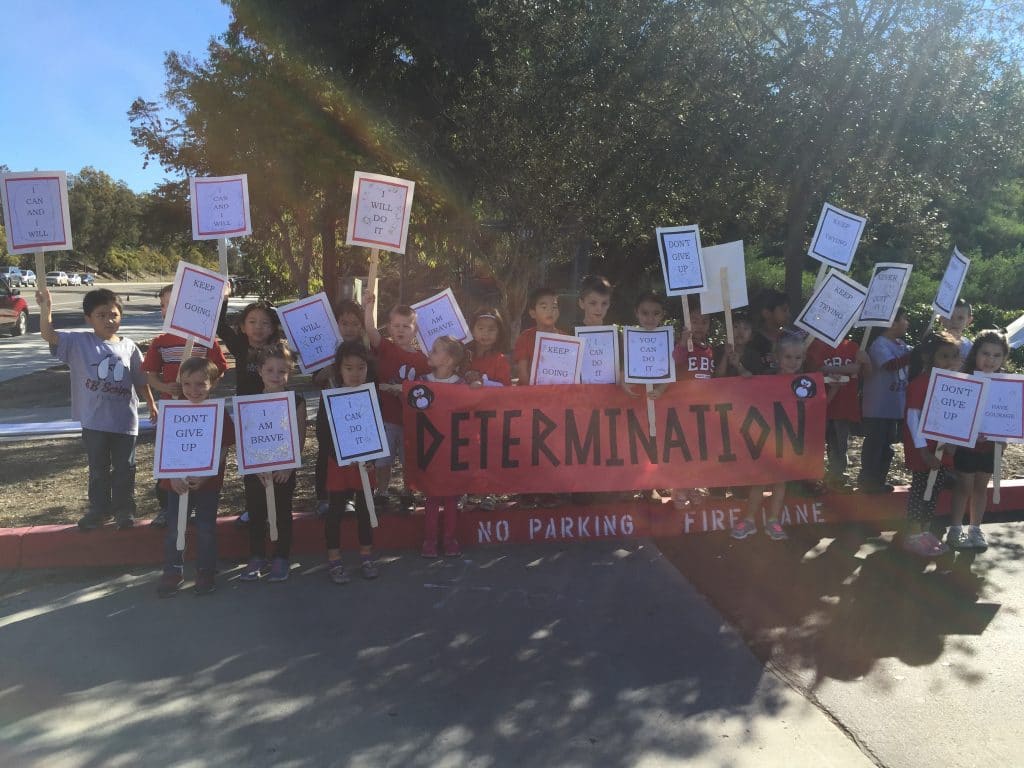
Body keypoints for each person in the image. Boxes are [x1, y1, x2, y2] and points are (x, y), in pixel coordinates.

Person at [37, 287, 157, 531]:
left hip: (125, 421)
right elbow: (48, 335)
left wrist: (152, 404)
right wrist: (45, 308)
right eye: (101, 315)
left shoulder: (130, 347)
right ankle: (100, 510)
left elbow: (140, 379)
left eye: (113, 314)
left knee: (126, 468)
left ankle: (124, 510)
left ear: (120, 316)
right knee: (98, 470)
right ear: (88, 319)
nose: (108, 320)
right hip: (94, 422)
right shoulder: (79, 342)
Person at [144, 283, 229, 527]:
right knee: (168, 461)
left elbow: (219, 370)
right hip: (171, 415)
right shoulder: (160, 342)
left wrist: (202, 387)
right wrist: (164, 388)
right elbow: (150, 374)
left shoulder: (206, 341)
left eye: (172, 305)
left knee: (199, 456)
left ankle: (198, 504)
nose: (166, 310)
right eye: (162, 305)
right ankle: (166, 507)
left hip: (200, 413)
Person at [156, 357, 234, 597]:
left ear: (212, 384)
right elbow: (166, 447)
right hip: (176, 483)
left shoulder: (218, 413)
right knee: (175, 529)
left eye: (201, 384)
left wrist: (205, 474)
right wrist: (174, 477)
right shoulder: (172, 411)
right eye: (188, 384)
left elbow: (223, 448)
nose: (194, 390)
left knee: (206, 528)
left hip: (207, 483)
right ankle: (173, 570)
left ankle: (205, 570)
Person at [239, 342, 307, 583]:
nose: (276, 376)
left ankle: (281, 557)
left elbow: (299, 436)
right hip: (257, 471)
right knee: (257, 513)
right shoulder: (249, 402)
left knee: (282, 512)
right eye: (270, 370)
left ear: (289, 372)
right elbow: (247, 438)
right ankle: (257, 556)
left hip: (283, 470)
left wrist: (289, 466)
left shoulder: (296, 401)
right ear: (259, 371)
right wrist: (256, 467)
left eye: (282, 371)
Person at [731, 333, 807, 541]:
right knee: (760, 481)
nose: (793, 362)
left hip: (788, 442)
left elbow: (816, 409)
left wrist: (833, 386)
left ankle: (773, 520)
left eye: (798, 358)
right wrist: (740, 369)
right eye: (788, 357)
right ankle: (749, 520)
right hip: (766, 440)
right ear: (777, 357)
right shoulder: (767, 377)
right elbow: (749, 388)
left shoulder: (806, 383)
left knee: (780, 482)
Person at [316, 340, 381, 583]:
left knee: (365, 511)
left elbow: (377, 429)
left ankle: (366, 556)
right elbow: (323, 433)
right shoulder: (330, 397)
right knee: (335, 512)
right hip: (339, 465)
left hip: (365, 466)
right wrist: (340, 455)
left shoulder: (371, 395)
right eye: (349, 368)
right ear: (339, 370)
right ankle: (334, 559)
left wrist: (372, 457)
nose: (355, 373)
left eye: (361, 367)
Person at [363, 292, 428, 511]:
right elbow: (371, 331)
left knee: (409, 460)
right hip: (386, 417)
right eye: (396, 326)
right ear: (389, 328)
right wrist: (368, 307)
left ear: (415, 331)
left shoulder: (423, 359)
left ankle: (408, 492)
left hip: (411, 420)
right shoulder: (386, 348)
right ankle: (382, 492)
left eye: (406, 326)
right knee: (383, 460)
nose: (400, 330)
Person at [947, 329, 1010, 550]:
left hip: (991, 446)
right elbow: (954, 412)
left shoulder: (1008, 385)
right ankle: (955, 530)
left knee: (981, 486)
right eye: (985, 353)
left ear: (1004, 357)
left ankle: (975, 529)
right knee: (964, 486)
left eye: (996, 355)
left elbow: (1010, 416)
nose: (990, 360)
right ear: (975, 353)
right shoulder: (964, 380)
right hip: (966, 444)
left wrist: (1004, 435)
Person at [901, 331, 961, 557]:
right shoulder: (920, 383)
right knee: (920, 491)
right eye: (945, 356)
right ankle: (913, 535)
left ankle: (925, 532)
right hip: (924, 450)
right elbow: (912, 418)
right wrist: (924, 451)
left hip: (942, 448)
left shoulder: (952, 384)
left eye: (954, 356)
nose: (951, 361)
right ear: (929, 357)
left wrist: (953, 443)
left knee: (933, 491)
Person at [312, 299, 366, 515]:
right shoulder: (324, 347)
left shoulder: (365, 348)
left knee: (353, 449)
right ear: (336, 324)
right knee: (326, 449)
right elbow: (315, 380)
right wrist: (326, 371)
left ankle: (348, 497)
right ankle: (323, 498)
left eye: (355, 323)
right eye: (344, 323)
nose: (350, 328)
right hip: (329, 406)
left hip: (356, 407)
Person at [805, 333, 872, 492]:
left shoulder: (854, 347)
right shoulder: (815, 346)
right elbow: (813, 370)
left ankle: (837, 478)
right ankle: (813, 480)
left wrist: (866, 362)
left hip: (843, 407)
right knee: (815, 445)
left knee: (839, 445)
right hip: (820, 407)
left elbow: (866, 373)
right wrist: (847, 368)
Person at [419, 336, 467, 558]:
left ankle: (449, 539)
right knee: (431, 498)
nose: (430, 352)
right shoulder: (421, 382)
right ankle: (429, 540)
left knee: (450, 499)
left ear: (448, 361)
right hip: (430, 451)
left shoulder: (461, 385)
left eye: (436, 350)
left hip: (453, 451)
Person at [859, 308, 912, 493]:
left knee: (887, 447)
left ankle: (879, 480)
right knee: (875, 444)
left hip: (893, 407)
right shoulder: (879, 344)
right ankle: (868, 481)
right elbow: (890, 365)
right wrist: (914, 354)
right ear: (892, 322)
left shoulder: (901, 345)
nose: (907, 323)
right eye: (904, 319)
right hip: (878, 407)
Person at [217, 298, 282, 397]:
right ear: (243, 327)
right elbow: (220, 326)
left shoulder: (278, 352)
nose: (258, 327)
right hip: (245, 407)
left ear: (272, 329)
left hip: (273, 404)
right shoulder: (239, 347)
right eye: (252, 322)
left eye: (264, 323)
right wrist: (224, 298)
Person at [513, 286, 562, 384]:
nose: (550, 311)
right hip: (530, 394)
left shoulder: (565, 339)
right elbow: (522, 373)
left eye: (554, 307)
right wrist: (534, 394)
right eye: (544, 307)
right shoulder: (525, 338)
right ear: (532, 313)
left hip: (557, 394)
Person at [464, 307, 512, 387]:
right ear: (472, 331)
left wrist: (483, 383)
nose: (486, 333)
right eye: (481, 328)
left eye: (491, 329)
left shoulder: (500, 361)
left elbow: (505, 388)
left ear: (499, 333)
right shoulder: (463, 357)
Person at [749, 289, 791, 373]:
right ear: (766, 313)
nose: (788, 315)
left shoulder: (791, 339)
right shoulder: (752, 342)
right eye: (784, 310)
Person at [714, 310, 762, 378]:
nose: (740, 331)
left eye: (745, 328)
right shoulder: (718, 350)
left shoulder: (754, 356)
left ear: (751, 336)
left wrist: (738, 366)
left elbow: (753, 380)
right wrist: (725, 355)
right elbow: (717, 377)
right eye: (736, 327)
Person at [940, 298, 974, 363]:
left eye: (960, 318)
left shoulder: (970, 348)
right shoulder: (935, 342)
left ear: (969, 320)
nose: (955, 322)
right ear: (942, 319)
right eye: (950, 317)